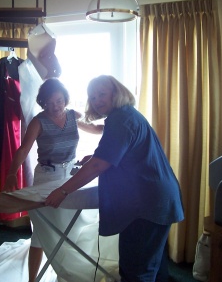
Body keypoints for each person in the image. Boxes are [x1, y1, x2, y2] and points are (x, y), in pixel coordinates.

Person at [45, 75, 185, 282]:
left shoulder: (121, 119)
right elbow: (116, 153)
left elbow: (98, 165)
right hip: (157, 200)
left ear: (116, 93)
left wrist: (63, 190)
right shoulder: (124, 116)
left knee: (136, 270)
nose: (97, 100)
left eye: (102, 94)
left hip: (148, 205)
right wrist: (94, 157)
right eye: (92, 97)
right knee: (154, 266)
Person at [3, 77, 102, 282]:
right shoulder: (39, 121)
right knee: (42, 229)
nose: (54, 106)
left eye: (58, 100)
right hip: (47, 176)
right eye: (49, 102)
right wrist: (12, 173)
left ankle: (66, 274)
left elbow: (94, 129)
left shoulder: (73, 115)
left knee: (71, 226)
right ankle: (33, 279)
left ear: (65, 99)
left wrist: (116, 126)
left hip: (71, 176)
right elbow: (23, 149)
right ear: (43, 102)